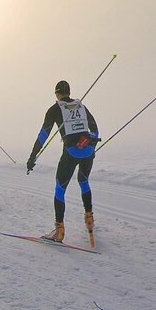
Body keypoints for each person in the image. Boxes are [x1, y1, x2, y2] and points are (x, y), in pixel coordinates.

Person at [26, 80, 99, 243]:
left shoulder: (54, 109)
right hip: (88, 151)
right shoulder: (81, 105)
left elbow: (43, 135)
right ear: (69, 92)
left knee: (60, 189)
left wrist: (32, 157)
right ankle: (89, 219)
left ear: (57, 94)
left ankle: (59, 231)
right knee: (84, 181)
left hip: (71, 152)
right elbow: (95, 129)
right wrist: (90, 143)